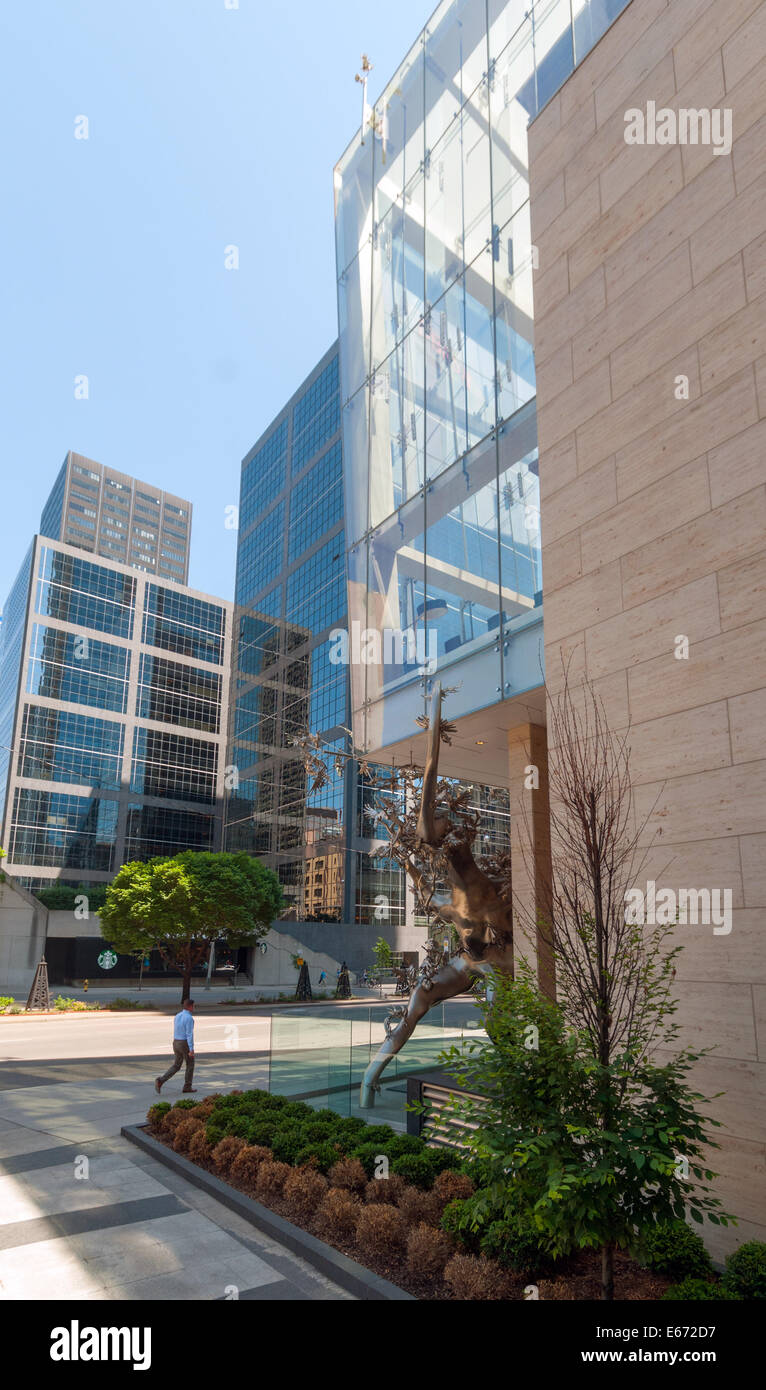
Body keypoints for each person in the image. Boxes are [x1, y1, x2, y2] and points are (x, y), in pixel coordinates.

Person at [155, 998, 196, 1094]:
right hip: (184, 1043)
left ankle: (161, 1080)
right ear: (190, 1007)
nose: (194, 1007)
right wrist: (191, 1049)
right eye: (194, 1006)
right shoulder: (189, 1018)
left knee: (177, 1065)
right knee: (190, 1064)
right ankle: (187, 1086)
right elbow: (189, 1034)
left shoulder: (177, 1015)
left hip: (176, 1042)